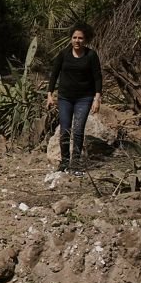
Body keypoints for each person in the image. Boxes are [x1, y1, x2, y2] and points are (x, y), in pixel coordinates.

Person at [46, 24, 102, 173]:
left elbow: (97, 77)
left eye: (80, 38)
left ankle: (75, 163)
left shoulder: (91, 55)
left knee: (78, 130)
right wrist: (50, 94)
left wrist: (97, 98)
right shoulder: (63, 54)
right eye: (75, 37)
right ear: (71, 39)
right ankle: (64, 162)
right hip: (65, 98)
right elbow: (54, 74)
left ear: (86, 40)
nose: (77, 41)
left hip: (84, 98)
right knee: (65, 130)